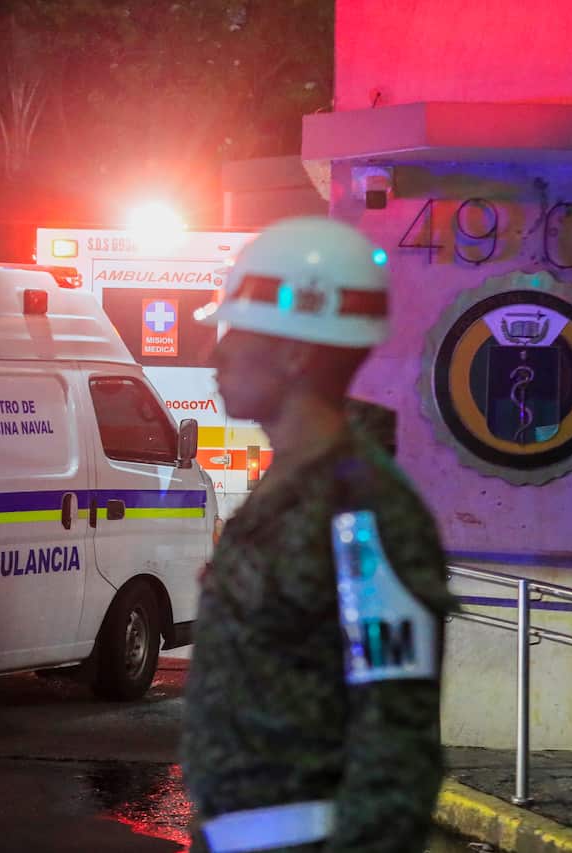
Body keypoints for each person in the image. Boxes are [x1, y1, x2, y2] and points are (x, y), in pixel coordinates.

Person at [182, 216, 456, 852]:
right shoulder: (292, 488)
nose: (211, 354)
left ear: (296, 353)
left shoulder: (362, 511)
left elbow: (396, 740)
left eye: (235, 334)